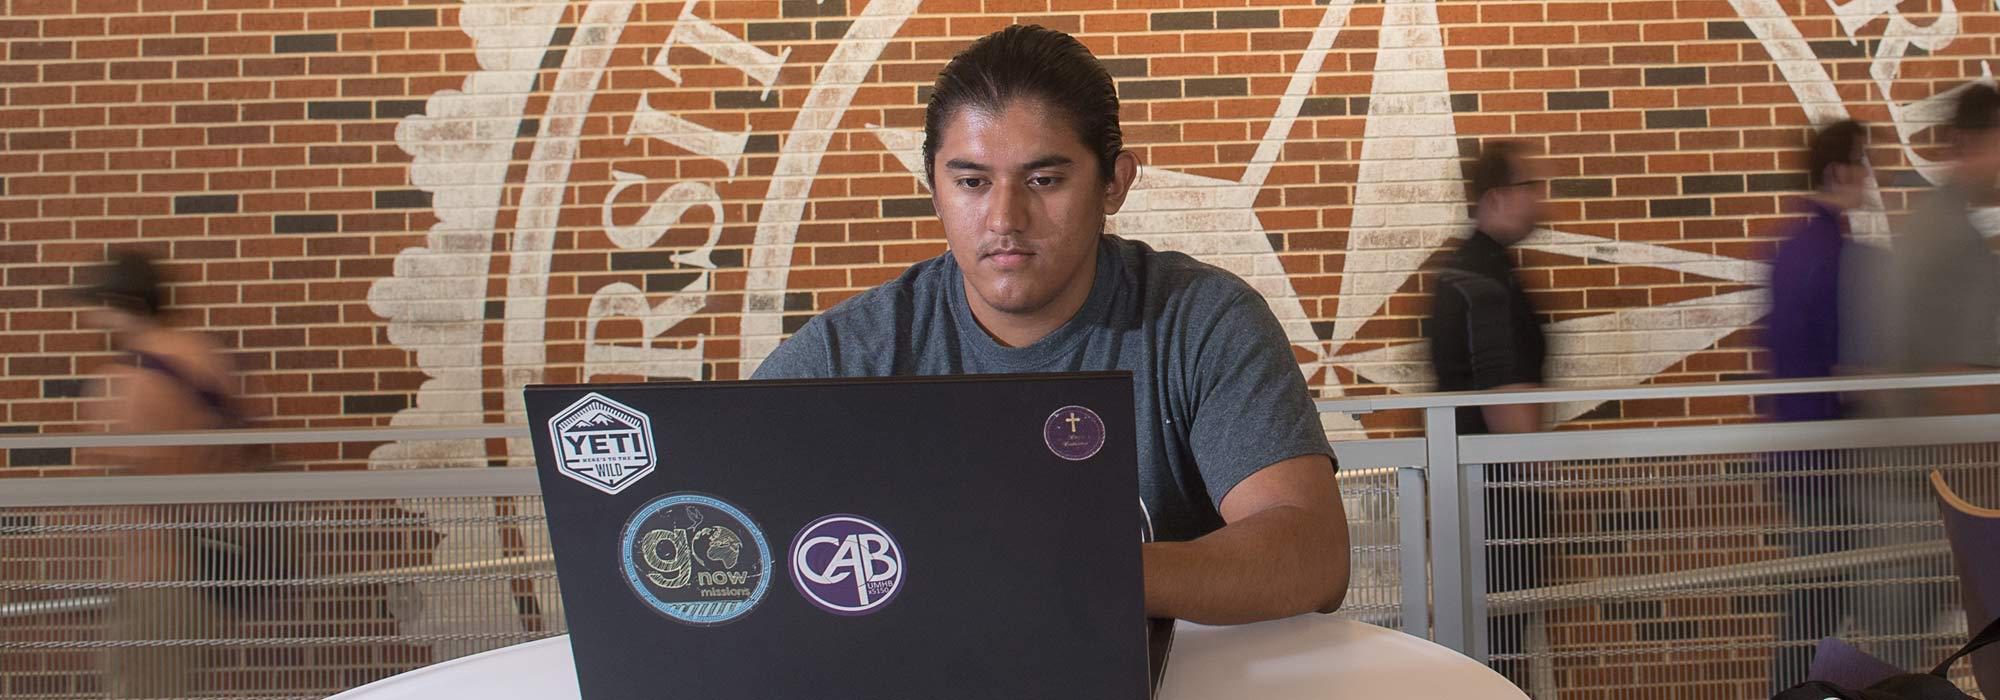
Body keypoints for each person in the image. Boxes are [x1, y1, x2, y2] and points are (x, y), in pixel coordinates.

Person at [752, 25, 1351, 625]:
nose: (1005, 218)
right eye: (971, 182)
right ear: (933, 188)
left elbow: (1312, 553)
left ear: (1113, 183)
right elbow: (724, 507)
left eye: (1044, 180)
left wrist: (1072, 573)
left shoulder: (1202, 322)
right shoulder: (849, 353)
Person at [72, 251, 250, 697]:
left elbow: (112, 463)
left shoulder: (129, 378)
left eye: (96, 305)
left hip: (155, 570)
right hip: (214, 564)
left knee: (138, 685)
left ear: (119, 302)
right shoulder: (204, 356)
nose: (91, 318)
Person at [1425, 141, 1551, 688]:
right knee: (1497, 661)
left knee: (1488, 654)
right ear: (1499, 197)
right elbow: (1511, 414)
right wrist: (1540, 476)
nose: (1542, 201)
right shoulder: (1485, 281)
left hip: (1474, 504)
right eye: (1532, 189)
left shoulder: (1468, 270)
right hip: (1498, 509)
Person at [1760, 120, 1881, 689]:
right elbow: (1845, 368)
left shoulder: (1789, 247)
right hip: (1829, 458)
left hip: (1797, 450)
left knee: (1815, 599)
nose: (1869, 178)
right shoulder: (1833, 252)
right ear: (1839, 171)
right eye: (1864, 164)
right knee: (1818, 604)